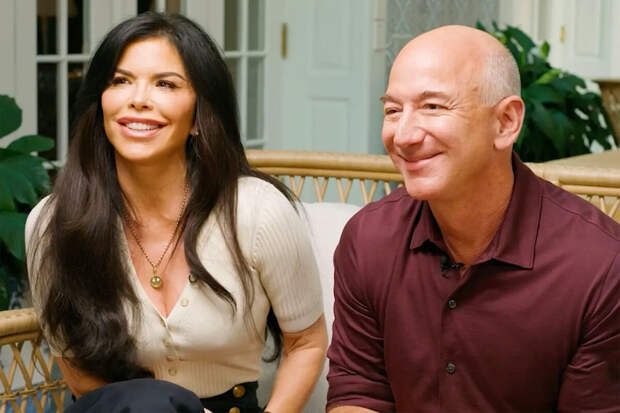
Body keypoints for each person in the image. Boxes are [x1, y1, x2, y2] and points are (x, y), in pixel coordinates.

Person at [25, 12, 327, 413]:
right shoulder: (54, 223)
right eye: (120, 81)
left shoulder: (259, 212)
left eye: (165, 84)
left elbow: (306, 343)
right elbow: (76, 369)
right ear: (100, 105)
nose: (138, 99)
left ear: (199, 116)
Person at [326, 25, 620, 412]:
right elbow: (359, 392)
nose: (404, 136)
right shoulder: (368, 238)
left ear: (506, 122)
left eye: (433, 107)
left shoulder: (600, 266)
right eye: (393, 111)